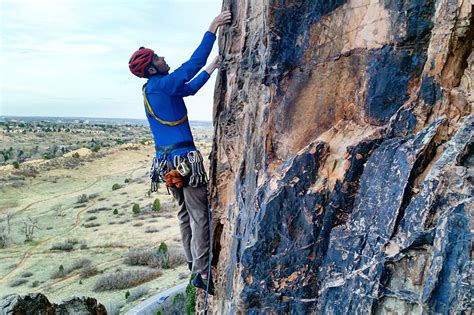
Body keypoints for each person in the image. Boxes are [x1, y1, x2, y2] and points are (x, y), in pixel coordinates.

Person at [128, 10, 232, 294]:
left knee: (185, 213)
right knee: (200, 215)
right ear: (151, 69)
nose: (164, 60)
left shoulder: (153, 89)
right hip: (184, 160)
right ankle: (201, 271)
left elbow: (189, 88)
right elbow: (191, 65)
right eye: (158, 59)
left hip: (165, 162)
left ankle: (191, 262)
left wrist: (213, 67)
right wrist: (212, 29)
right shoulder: (161, 83)